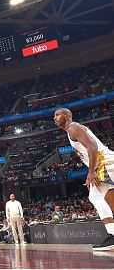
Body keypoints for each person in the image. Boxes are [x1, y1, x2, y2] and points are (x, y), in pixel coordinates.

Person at [54, 107, 114, 250]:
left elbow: (92, 147)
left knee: (105, 199)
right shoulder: (72, 130)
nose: (54, 118)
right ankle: (112, 234)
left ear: (68, 116)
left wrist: (91, 172)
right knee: (94, 196)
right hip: (101, 166)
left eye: (57, 114)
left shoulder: (73, 128)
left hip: (104, 164)